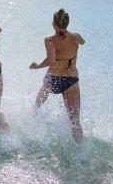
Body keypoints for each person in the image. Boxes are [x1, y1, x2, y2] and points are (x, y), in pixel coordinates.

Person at [30, 8, 85, 143]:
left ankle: (32, 119)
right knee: (75, 121)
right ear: (67, 23)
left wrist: (37, 66)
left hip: (54, 79)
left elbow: (50, 60)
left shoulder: (50, 40)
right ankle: (80, 152)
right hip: (71, 80)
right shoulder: (76, 37)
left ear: (54, 24)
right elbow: (83, 42)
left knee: (39, 100)